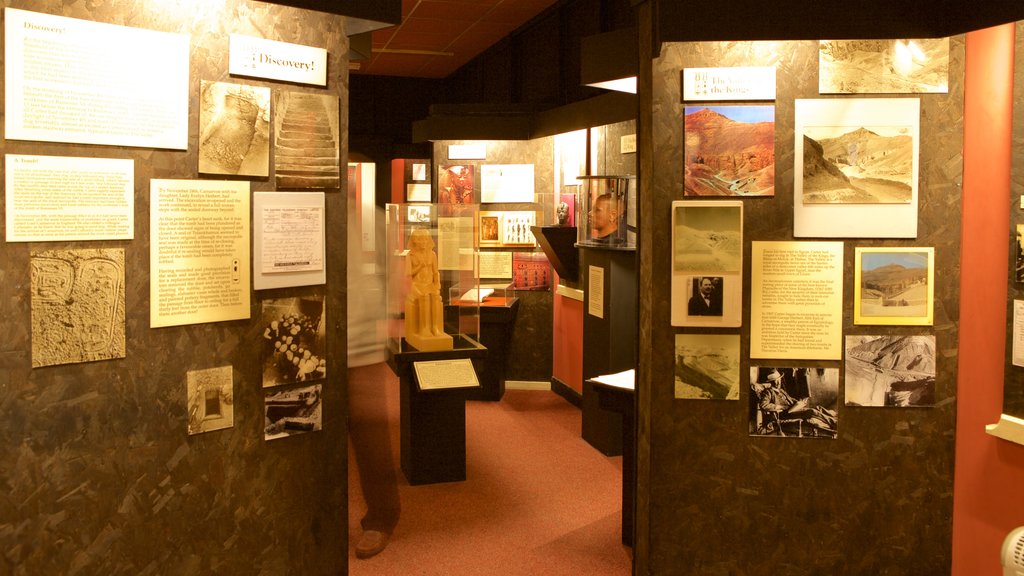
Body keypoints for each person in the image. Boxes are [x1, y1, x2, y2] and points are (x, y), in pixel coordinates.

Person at [348, 197, 400, 559]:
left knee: (371, 441)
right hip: (317, 347)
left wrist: (382, 331)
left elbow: (393, 278)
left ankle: (383, 516)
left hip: (361, 348)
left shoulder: (373, 221)